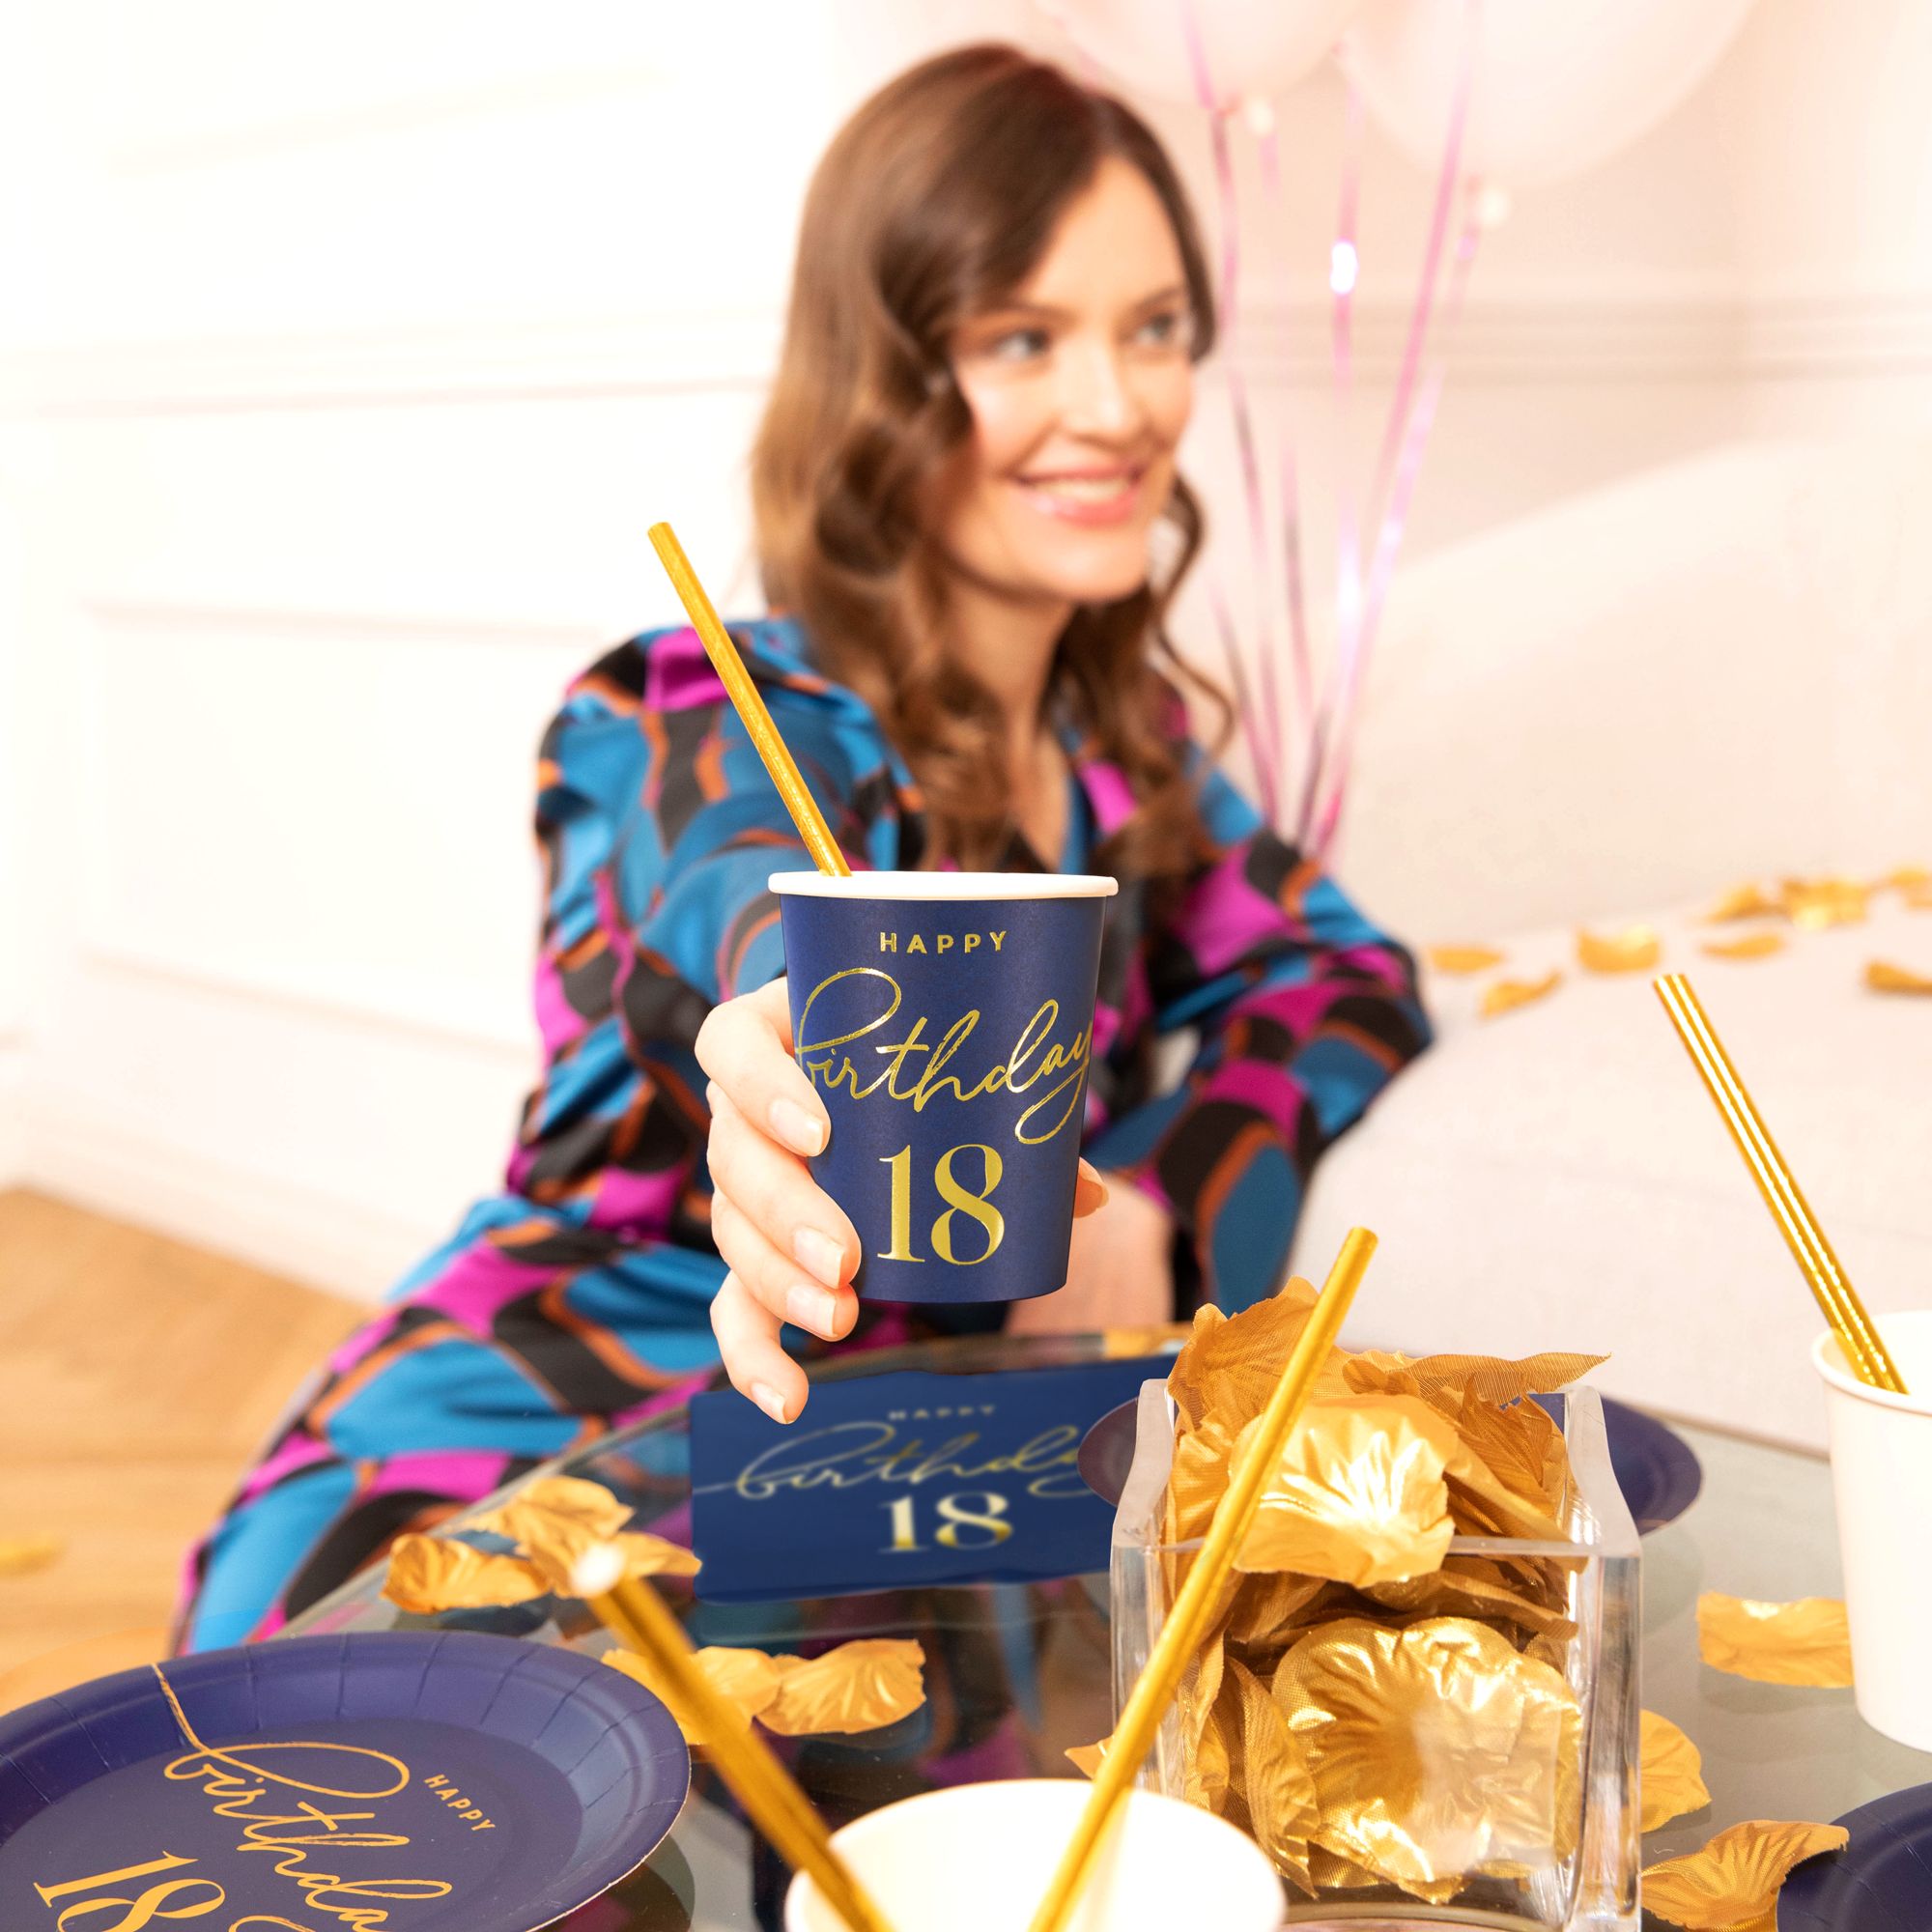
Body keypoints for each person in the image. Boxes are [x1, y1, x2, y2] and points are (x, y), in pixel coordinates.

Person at [177, 43, 1429, 1653]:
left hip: (918, 1482)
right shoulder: (691, 710)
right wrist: (802, 1025)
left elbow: (1346, 980)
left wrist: (1153, 1203)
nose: (1118, 407)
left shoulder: (1125, 767)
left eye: (1155, 327)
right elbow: (740, 892)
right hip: (550, 1446)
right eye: (1021, 338)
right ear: (886, 375)